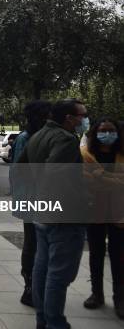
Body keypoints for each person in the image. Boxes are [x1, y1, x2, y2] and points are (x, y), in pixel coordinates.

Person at [18, 98, 89, 329]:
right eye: (81, 115)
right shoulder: (66, 139)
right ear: (69, 118)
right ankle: (55, 322)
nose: (84, 120)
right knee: (58, 275)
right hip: (63, 215)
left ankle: (42, 319)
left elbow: (21, 166)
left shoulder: (37, 135)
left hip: (43, 212)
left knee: (41, 270)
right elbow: (55, 173)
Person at [9, 100, 52, 307]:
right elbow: (19, 173)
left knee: (43, 244)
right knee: (32, 243)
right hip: (32, 200)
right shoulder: (26, 139)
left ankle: (40, 285)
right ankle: (30, 286)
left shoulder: (48, 137)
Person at [80, 117, 123, 319]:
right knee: (95, 254)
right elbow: (87, 182)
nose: (107, 134)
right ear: (96, 133)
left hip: (119, 211)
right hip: (94, 209)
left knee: (119, 256)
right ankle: (97, 294)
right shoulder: (87, 155)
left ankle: (120, 298)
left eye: (111, 130)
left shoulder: (121, 154)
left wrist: (100, 177)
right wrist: (115, 181)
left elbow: (96, 181)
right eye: (103, 130)